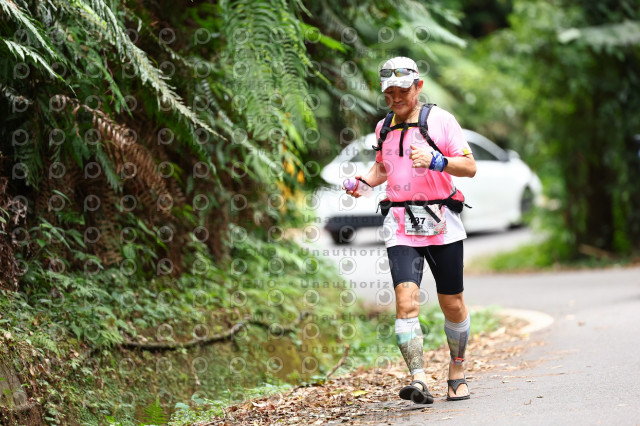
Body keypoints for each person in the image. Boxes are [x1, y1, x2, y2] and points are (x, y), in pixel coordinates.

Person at [345, 57, 477, 404]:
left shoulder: (441, 121)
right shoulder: (383, 127)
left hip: (441, 221)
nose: (395, 98)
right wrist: (363, 183)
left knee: (452, 304)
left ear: (418, 87)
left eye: (402, 91)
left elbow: (469, 167)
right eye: (389, 93)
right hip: (400, 224)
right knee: (405, 302)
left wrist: (438, 161)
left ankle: (457, 369)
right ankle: (418, 379)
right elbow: (382, 168)